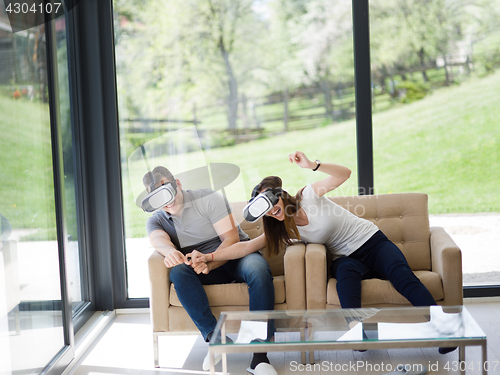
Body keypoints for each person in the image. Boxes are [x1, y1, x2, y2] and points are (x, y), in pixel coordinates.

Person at [189, 151, 456, 355]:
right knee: (346, 280)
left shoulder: (308, 196)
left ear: (280, 195)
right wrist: (210, 257)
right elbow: (246, 246)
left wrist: (312, 165)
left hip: (371, 242)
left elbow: (344, 174)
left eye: (270, 203)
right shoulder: (281, 229)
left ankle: (445, 332)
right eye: (263, 209)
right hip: (345, 258)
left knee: (402, 276)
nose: (271, 211)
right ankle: (358, 335)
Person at [143, 166, 278, 374]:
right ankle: (216, 339)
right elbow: (157, 239)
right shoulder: (157, 219)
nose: (165, 199)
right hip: (202, 267)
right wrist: (169, 251)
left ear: (177, 184)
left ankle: (259, 358)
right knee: (178, 272)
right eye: (156, 196)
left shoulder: (207, 197)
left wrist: (209, 261)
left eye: (165, 189)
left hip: (235, 255)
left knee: (258, 270)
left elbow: (231, 239)